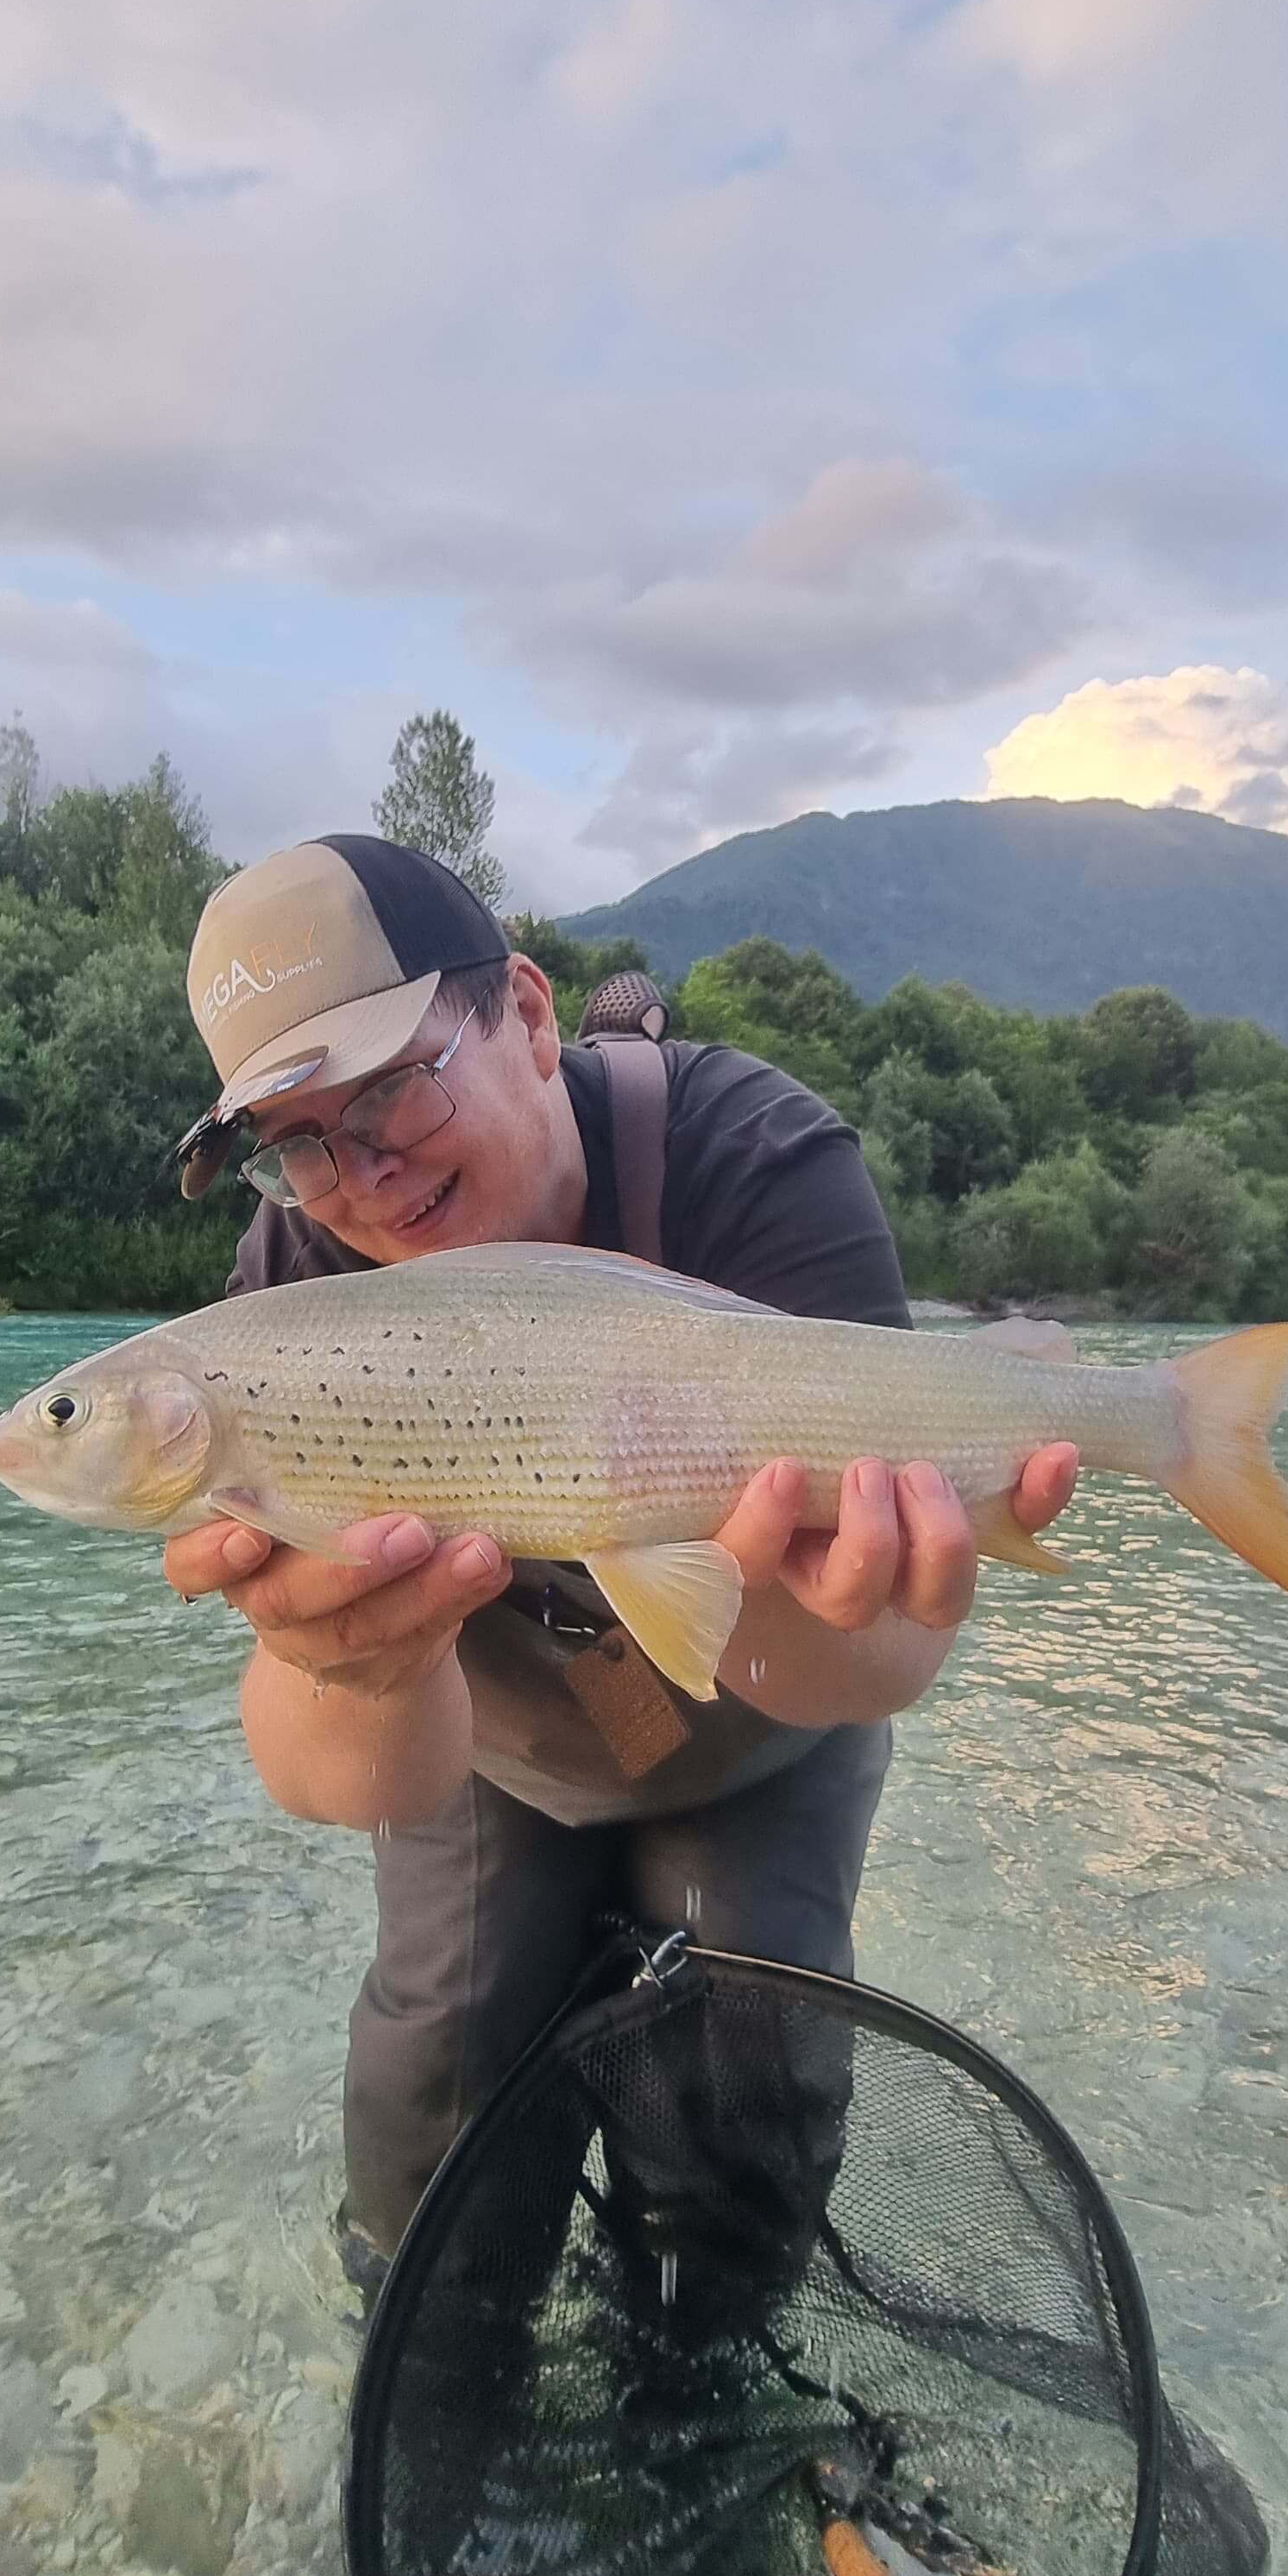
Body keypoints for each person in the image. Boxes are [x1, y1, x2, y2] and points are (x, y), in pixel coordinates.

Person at [163, 834, 1077, 2288]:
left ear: (527, 1014)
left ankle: (700, 2413)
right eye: (301, 1139)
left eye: (394, 1082)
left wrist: (836, 1607)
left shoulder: (753, 1160)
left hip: (764, 1734)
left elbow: (879, 1661)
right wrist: (356, 1659)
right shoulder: (290, 1284)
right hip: (490, 1748)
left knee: (743, 2095)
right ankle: (452, 2412)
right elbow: (347, 1780)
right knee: (433, 2094)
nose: (364, 1169)